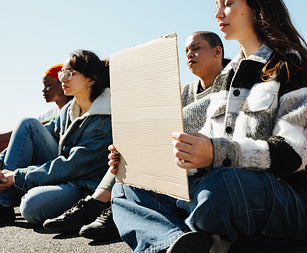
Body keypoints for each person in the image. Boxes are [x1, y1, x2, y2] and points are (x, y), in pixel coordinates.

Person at [110, 0, 307, 253]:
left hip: (291, 202)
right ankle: (174, 244)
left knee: (219, 189)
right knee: (126, 188)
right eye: (216, 6)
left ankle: (186, 232)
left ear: (256, 6)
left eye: (227, 3)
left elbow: (294, 153)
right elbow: (208, 147)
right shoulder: (227, 76)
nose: (218, 13)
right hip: (223, 189)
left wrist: (216, 152)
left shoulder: (293, 63)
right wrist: (138, 161)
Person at [42, 31, 228, 242]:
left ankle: (104, 206)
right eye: (186, 51)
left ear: (217, 52)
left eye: (196, 48)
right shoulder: (185, 91)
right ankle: (98, 204)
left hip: (203, 165)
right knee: (131, 144)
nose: (189, 54)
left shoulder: (232, 85)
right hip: (176, 159)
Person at [0, 50, 112, 226]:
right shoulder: (69, 109)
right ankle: (3, 202)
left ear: (91, 79)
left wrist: (18, 176)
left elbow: (72, 166)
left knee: (30, 206)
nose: (63, 79)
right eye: (62, 74)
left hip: (81, 184)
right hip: (62, 172)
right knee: (28, 124)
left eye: (70, 74)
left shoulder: (103, 118)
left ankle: (10, 192)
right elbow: (33, 135)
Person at [0, 63, 72, 152]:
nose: (43, 89)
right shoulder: (50, 113)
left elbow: (28, 129)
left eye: (48, 85)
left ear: (62, 84)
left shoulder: (72, 109)